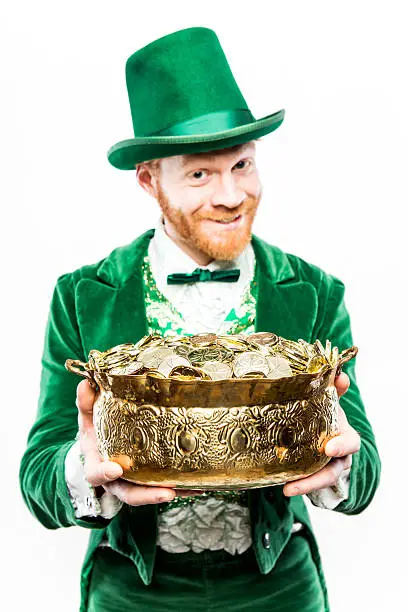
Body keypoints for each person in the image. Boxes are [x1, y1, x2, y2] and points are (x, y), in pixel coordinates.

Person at [19, 26, 380, 612]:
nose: (231, 195)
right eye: (199, 174)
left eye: (241, 164)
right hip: (132, 591)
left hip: (278, 586)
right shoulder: (83, 296)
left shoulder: (314, 293)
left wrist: (342, 463)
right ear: (149, 180)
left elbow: (366, 479)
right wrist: (83, 470)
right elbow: (38, 479)